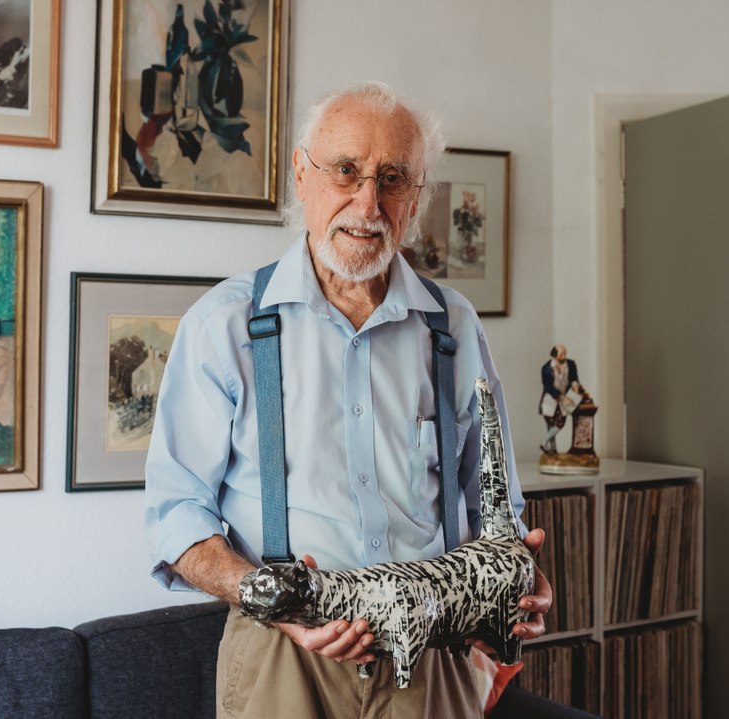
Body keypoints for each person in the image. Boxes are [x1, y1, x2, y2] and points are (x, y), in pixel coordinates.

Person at [144, 82, 551, 717]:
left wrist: (518, 579)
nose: (368, 202)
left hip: (435, 657)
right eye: (345, 171)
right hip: (284, 659)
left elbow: (494, 505)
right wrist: (270, 599)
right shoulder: (223, 325)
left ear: (416, 199)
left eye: (393, 178)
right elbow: (176, 518)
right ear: (301, 176)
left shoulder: (453, 327)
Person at [539, 344, 582, 454]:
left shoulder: (570, 364)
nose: (564, 356)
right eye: (561, 354)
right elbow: (548, 386)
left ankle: (544, 442)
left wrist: (575, 385)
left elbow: (574, 378)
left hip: (566, 396)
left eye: (565, 354)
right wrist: (562, 398)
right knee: (551, 424)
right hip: (551, 399)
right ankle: (552, 449)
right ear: (555, 355)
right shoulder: (546, 368)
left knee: (560, 423)